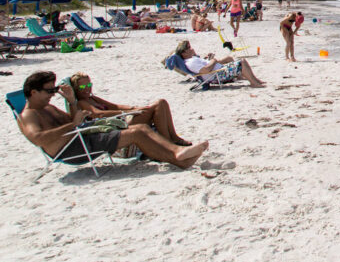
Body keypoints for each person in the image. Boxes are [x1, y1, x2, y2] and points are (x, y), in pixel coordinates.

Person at [16, 71, 208, 169]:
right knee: (139, 131)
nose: (52, 95)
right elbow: (38, 138)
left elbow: (70, 120)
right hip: (74, 148)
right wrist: (74, 124)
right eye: (49, 91)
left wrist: (71, 103)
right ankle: (178, 155)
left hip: (82, 137)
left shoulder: (47, 107)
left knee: (140, 128)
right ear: (33, 92)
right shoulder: (29, 115)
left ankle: (178, 154)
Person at [66, 72, 192, 146]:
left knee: (161, 103)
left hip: (121, 120)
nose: (88, 88)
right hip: (116, 127)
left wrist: (133, 107)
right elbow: (98, 114)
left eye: (89, 85)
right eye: (83, 87)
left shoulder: (93, 98)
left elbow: (114, 106)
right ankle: (168, 142)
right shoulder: (82, 102)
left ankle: (173, 137)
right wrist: (128, 112)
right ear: (76, 89)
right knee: (159, 104)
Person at [174, 40, 265, 87]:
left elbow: (203, 67)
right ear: (184, 53)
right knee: (242, 62)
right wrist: (213, 60)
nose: (191, 48)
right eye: (189, 48)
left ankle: (255, 80)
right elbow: (205, 70)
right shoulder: (191, 62)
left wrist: (208, 59)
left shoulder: (192, 59)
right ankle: (254, 83)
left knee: (229, 59)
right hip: (217, 75)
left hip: (217, 72)